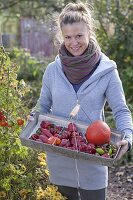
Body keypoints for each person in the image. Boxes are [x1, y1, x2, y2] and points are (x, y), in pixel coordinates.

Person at [30, 2, 133, 200]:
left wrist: (127, 137)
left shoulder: (108, 71)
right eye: (68, 37)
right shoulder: (53, 70)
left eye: (79, 36)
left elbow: (121, 110)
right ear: (62, 37)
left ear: (89, 34)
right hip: (59, 159)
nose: (74, 42)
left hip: (93, 159)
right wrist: (33, 117)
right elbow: (42, 105)